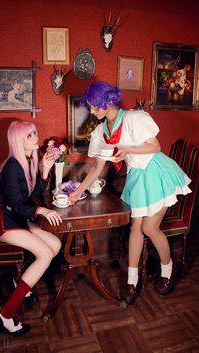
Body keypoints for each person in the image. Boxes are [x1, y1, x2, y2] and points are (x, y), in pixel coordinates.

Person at [68, 81, 191, 304]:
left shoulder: (134, 118)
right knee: (136, 227)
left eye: (95, 106)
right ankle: (132, 281)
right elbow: (97, 168)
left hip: (156, 171)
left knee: (149, 227)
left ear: (106, 102)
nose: (92, 111)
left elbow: (155, 147)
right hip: (137, 176)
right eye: (91, 107)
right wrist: (77, 192)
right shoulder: (101, 131)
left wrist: (128, 149)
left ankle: (168, 270)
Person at [0, 120, 62, 336]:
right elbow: (18, 204)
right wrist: (42, 212)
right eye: (30, 135)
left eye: (35, 133)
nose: (36, 137)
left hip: (16, 217)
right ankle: (5, 315)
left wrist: (45, 171)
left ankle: (18, 281)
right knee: (45, 255)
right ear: (19, 140)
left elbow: (32, 192)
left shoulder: (27, 161)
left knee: (55, 245)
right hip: (2, 220)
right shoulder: (12, 167)